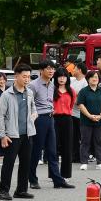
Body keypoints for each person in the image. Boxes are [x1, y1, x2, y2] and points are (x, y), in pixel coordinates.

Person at [28, 60, 74, 189]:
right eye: (48, 68)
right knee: (36, 151)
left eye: (52, 69)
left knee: (52, 151)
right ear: (41, 70)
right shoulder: (34, 85)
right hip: (39, 119)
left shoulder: (52, 86)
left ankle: (57, 180)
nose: (51, 71)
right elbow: (29, 104)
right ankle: (32, 179)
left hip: (50, 118)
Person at [0, 64, 37, 200]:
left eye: (29, 77)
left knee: (26, 163)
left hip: (28, 134)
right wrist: (2, 135)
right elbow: (0, 116)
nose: (27, 79)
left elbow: (33, 108)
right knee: (9, 163)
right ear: (16, 76)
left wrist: (34, 115)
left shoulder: (29, 92)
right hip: (12, 134)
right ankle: (3, 191)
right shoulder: (7, 95)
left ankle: (21, 190)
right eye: (24, 76)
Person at [77, 70, 101, 172]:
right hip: (86, 121)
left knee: (99, 142)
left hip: (99, 120)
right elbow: (81, 105)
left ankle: (100, 162)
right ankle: (84, 162)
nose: (95, 79)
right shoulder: (83, 91)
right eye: (93, 77)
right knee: (85, 142)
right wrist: (89, 116)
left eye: (97, 77)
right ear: (88, 79)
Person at [52, 67, 77, 181]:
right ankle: (54, 174)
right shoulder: (52, 90)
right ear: (56, 78)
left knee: (67, 147)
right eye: (59, 76)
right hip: (54, 119)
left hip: (67, 119)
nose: (61, 79)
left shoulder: (71, 91)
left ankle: (66, 175)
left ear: (67, 78)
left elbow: (71, 106)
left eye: (64, 76)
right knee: (54, 146)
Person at [70, 63, 88, 163]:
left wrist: (73, 98)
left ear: (80, 70)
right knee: (73, 136)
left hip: (80, 114)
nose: (73, 70)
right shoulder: (73, 81)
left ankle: (83, 156)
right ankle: (74, 156)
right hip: (71, 113)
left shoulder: (84, 83)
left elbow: (82, 99)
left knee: (82, 136)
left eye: (75, 69)